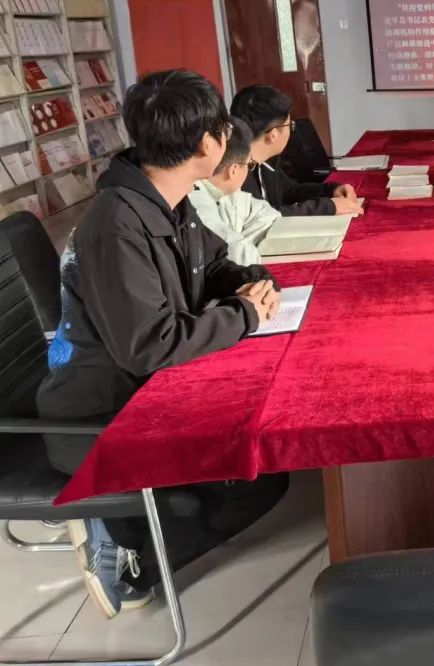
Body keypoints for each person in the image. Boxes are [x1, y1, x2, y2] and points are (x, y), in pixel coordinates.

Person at [36, 70, 289, 618]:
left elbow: (211, 265)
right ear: (206, 145)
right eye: (223, 129)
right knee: (258, 477)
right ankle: (129, 552)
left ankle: (139, 526)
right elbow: (151, 345)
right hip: (105, 416)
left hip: (147, 387)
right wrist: (243, 315)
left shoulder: (165, 198)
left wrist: (250, 280)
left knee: (262, 442)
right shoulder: (116, 225)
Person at [230, 85, 362, 216]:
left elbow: (290, 191)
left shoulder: (266, 161)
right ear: (273, 135)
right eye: (290, 125)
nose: (291, 131)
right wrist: (327, 207)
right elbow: (261, 218)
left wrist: (330, 190)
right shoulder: (234, 174)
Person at [189, 115, 282, 265]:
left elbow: (267, 214)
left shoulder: (222, 192)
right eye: (249, 164)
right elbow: (238, 253)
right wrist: (245, 240)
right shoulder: (194, 198)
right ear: (233, 170)